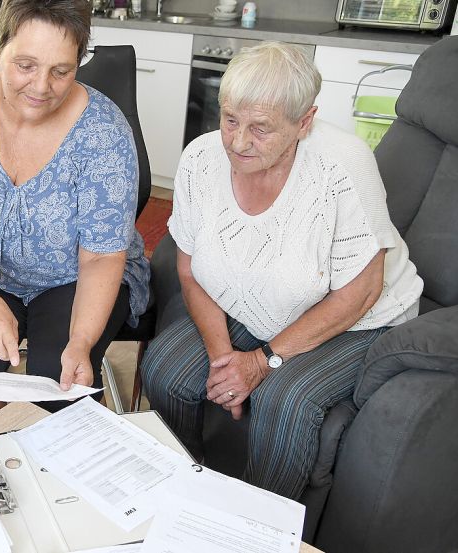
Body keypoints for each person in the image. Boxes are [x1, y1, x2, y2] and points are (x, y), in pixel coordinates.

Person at [139, 42, 423, 500]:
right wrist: (221, 358)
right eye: (230, 119)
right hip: (254, 301)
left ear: (304, 122)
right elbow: (189, 271)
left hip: (355, 316)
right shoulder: (201, 158)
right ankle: (186, 494)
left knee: (282, 401)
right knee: (165, 370)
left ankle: (262, 527)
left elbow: (363, 290)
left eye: (261, 129)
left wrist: (262, 360)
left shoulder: (343, 167)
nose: (237, 141)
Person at [0, 0, 150, 427]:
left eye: (61, 70)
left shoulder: (105, 132)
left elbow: (100, 257)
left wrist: (81, 341)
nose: (41, 86)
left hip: (76, 273)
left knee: (57, 383)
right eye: (25, 65)